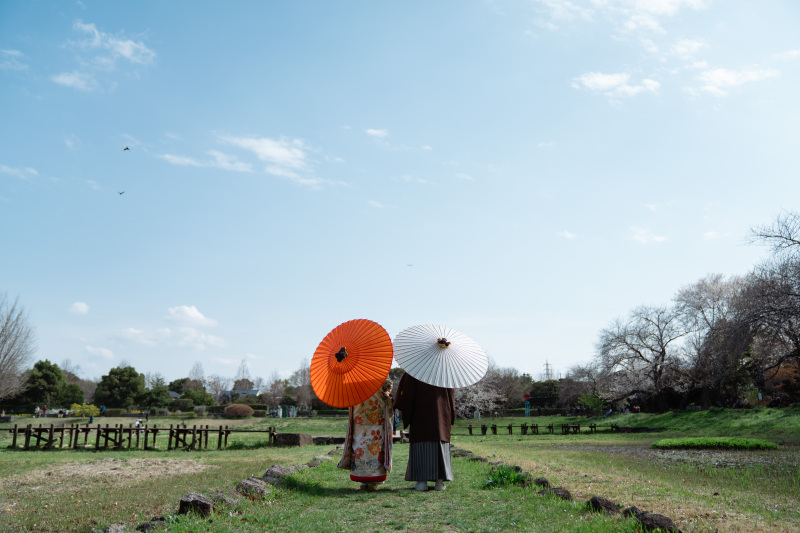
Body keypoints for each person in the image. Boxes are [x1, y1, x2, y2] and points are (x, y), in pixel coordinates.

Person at [393, 373, 455, 492]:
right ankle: (439, 483)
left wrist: (405, 411)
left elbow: (407, 396)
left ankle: (422, 482)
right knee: (440, 444)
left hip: (420, 415)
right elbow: (451, 395)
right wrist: (451, 413)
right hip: (441, 416)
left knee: (421, 446)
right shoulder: (445, 370)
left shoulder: (415, 370)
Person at [338, 378, 394, 491]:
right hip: (376, 413)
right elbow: (388, 386)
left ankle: (364, 481)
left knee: (361, 446)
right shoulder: (380, 373)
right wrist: (386, 391)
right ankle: (372, 480)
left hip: (360, 414)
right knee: (374, 448)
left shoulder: (355, 375)